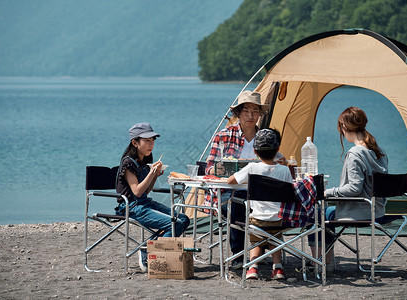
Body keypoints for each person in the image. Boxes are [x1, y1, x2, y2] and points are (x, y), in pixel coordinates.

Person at [203, 90, 284, 269]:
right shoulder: (223, 135)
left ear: (260, 114)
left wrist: (281, 161)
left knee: (269, 204)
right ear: (238, 113)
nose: (250, 115)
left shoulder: (265, 136)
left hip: (259, 193)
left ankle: (261, 251)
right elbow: (208, 168)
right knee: (236, 205)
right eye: (246, 111)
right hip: (228, 191)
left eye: (255, 111)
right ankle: (239, 255)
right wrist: (217, 169)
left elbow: (277, 159)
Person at [308, 106, 388, 270]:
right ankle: (325, 261)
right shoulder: (379, 151)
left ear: (344, 127)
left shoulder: (355, 154)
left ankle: (322, 263)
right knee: (326, 212)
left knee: (317, 213)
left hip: (360, 212)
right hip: (378, 210)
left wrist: (324, 193)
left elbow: (353, 189)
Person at [115, 123, 190, 272]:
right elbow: (136, 192)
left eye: (153, 140)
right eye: (147, 141)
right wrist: (151, 173)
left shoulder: (146, 160)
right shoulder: (128, 162)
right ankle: (147, 251)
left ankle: (149, 245)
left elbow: (145, 191)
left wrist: (155, 175)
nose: (151, 145)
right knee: (172, 223)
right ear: (135, 143)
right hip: (131, 207)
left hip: (144, 202)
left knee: (184, 219)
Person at [226, 128, 292, 280]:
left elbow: (230, 181)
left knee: (256, 238)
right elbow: (290, 189)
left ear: (255, 151)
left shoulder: (252, 168)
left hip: (256, 220)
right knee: (275, 236)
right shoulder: (284, 170)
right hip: (279, 220)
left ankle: (253, 267)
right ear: (277, 150)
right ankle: (278, 268)